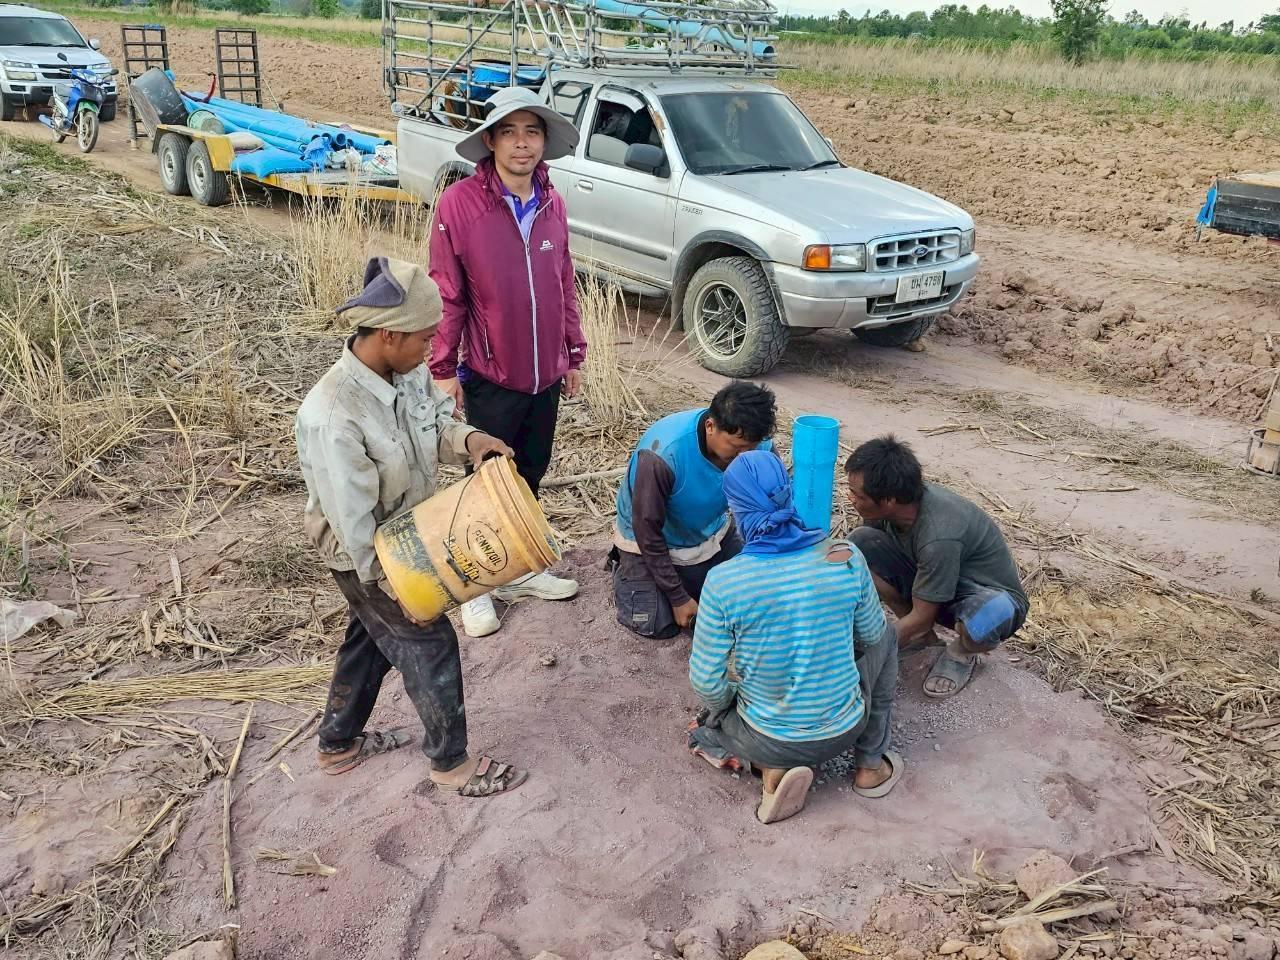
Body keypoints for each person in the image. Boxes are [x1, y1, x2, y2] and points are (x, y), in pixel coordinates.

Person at [295, 256, 527, 798]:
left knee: (370, 638)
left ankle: (338, 742)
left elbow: (436, 422)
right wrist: (392, 584)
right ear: (388, 334)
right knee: (429, 641)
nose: (431, 349)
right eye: (424, 338)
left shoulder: (407, 371)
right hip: (365, 555)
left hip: (409, 532)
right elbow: (353, 524)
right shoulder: (333, 415)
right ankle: (451, 765)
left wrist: (470, 441)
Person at [429, 85, 587, 640]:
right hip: (491, 374)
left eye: (533, 132)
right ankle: (477, 586)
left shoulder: (553, 204)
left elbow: (564, 282)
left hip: (544, 376)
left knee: (530, 474)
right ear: (490, 141)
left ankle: (516, 570)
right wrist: (443, 367)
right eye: (510, 132)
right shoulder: (460, 206)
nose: (523, 144)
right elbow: (448, 293)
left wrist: (573, 353)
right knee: (486, 481)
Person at [687, 450, 903, 825]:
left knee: (710, 718)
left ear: (734, 509)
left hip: (768, 735)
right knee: (887, 634)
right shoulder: (845, 555)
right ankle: (869, 765)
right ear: (788, 493)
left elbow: (706, 680)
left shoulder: (725, 582)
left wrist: (725, 707)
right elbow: (869, 636)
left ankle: (772, 768)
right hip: (846, 727)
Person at [846, 436, 1029, 700]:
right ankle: (922, 639)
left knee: (989, 615)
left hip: (982, 596)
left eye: (857, 494)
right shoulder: (895, 505)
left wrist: (867, 658)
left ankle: (961, 653)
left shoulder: (939, 535)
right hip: (938, 581)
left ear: (888, 500)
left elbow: (924, 614)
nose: (849, 498)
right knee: (858, 547)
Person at [610, 381, 776, 639]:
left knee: (755, 597)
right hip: (649, 540)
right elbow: (647, 529)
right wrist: (677, 598)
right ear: (711, 426)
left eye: (751, 448)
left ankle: (691, 576)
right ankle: (625, 569)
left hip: (710, 531)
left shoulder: (757, 444)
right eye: (736, 447)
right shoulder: (665, 454)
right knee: (657, 624)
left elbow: (773, 504)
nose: (746, 456)